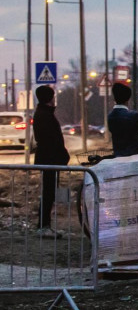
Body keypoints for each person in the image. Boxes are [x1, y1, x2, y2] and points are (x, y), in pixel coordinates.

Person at [32, 86, 70, 236]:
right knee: (48, 192)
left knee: (49, 191)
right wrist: (62, 155)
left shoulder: (43, 113)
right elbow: (52, 140)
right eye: (52, 96)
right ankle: (43, 226)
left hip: (49, 158)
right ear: (49, 98)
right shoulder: (45, 115)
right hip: (50, 159)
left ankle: (44, 225)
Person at [108, 82, 138, 158]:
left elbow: (124, 124)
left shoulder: (110, 116)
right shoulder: (133, 116)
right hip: (134, 157)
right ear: (127, 100)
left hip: (118, 156)